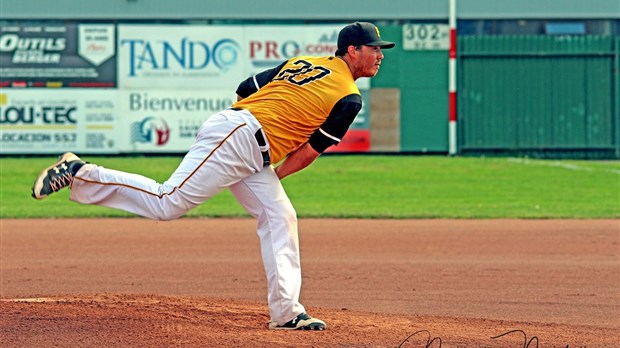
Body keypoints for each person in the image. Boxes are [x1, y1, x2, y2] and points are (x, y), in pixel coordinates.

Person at [32, 21, 395, 330]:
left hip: (244, 138)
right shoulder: (349, 97)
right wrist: (273, 169)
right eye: (374, 48)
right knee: (167, 202)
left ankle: (286, 312)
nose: (380, 55)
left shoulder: (303, 62)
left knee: (279, 215)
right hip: (241, 138)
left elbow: (246, 87)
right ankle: (80, 173)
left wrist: (255, 145)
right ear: (352, 50)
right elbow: (309, 151)